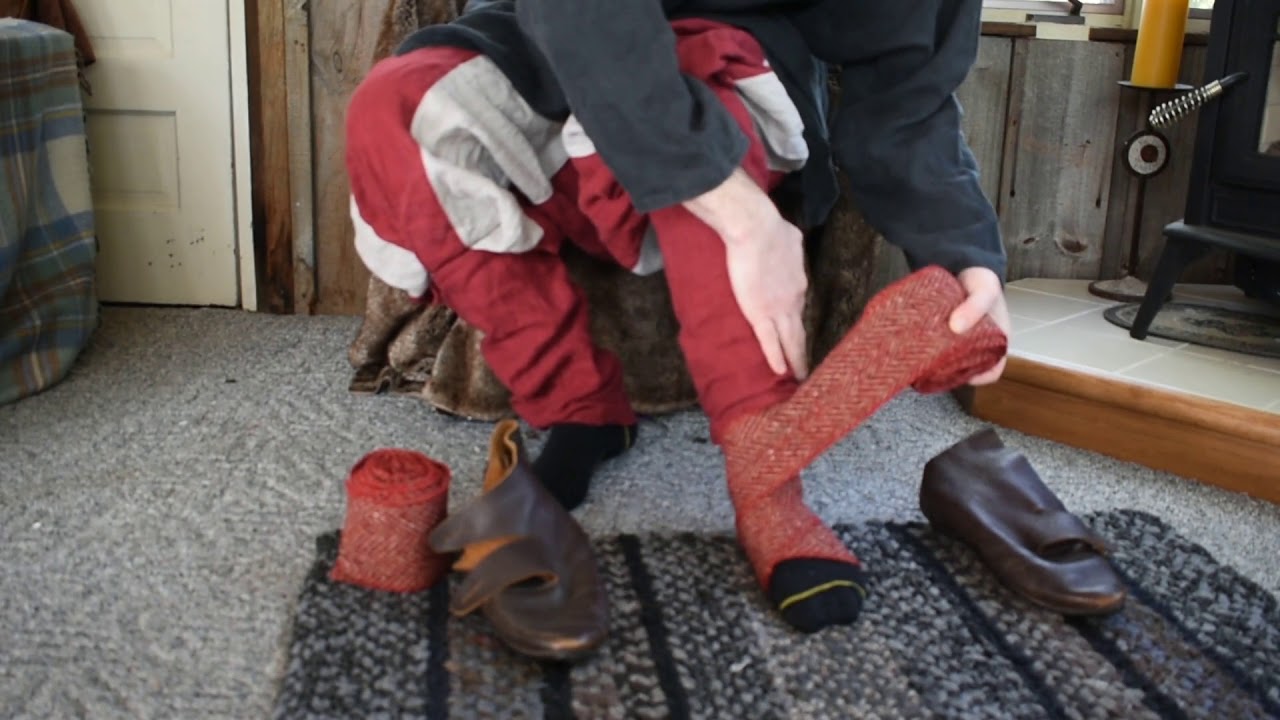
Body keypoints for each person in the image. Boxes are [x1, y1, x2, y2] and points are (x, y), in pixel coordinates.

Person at [344, 0, 1011, 634]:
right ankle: (580, 410)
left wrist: (962, 251)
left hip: (730, 64)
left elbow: (907, 93)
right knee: (397, 106)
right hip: (555, 36)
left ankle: (767, 484)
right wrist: (744, 218)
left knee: (708, 84)